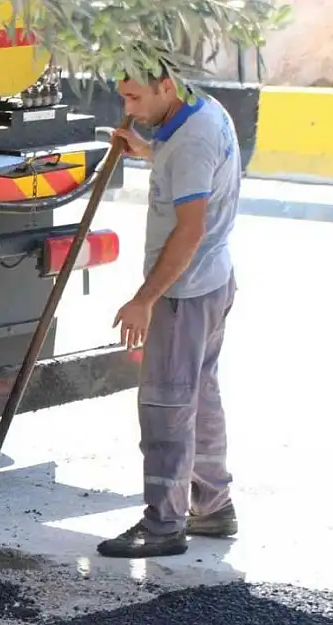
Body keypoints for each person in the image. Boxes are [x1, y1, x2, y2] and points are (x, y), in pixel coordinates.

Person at [96, 65, 241, 559]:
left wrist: (144, 299)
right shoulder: (203, 110)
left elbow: (190, 230)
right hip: (213, 281)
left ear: (167, 87)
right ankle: (212, 506)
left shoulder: (192, 143)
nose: (128, 110)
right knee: (199, 397)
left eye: (135, 98)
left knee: (166, 408)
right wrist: (147, 151)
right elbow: (186, 166)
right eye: (124, 98)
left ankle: (163, 525)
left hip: (184, 293)